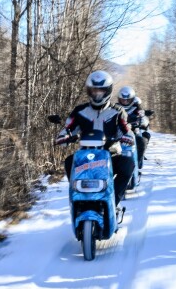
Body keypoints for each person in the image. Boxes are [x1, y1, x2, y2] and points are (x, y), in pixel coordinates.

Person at [55, 70, 135, 208]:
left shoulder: (118, 111)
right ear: (89, 91)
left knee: (128, 165)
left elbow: (126, 129)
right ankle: (78, 198)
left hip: (111, 154)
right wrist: (63, 136)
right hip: (86, 157)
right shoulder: (79, 111)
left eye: (101, 90)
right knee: (69, 162)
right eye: (94, 90)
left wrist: (128, 137)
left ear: (108, 90)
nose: (97, 94)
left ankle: (113, 201)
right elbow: (69, 127)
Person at [117, 86, 149, 169]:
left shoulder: (137, 109)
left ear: (132, 99)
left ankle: (137, 163)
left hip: (133, 133)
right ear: (119, 99)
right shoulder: (115, 107)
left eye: (127, 100)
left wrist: (142, 123)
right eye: (123, 99)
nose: (125, 101)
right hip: (118, 133)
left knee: (141, 141)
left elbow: (143, 118)